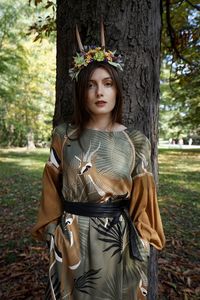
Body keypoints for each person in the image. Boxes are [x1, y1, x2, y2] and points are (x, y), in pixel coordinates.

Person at [31, 22, 165, 300]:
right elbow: (51, 186)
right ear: (82, 92)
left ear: (117, 91)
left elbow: (143, 200)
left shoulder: (136, 141)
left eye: (107, 84)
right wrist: (55, 233)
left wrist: (142, 240)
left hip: (118, 242)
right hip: (72, 239)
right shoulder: (64, 136)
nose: (99, 92)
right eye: (91, 85)